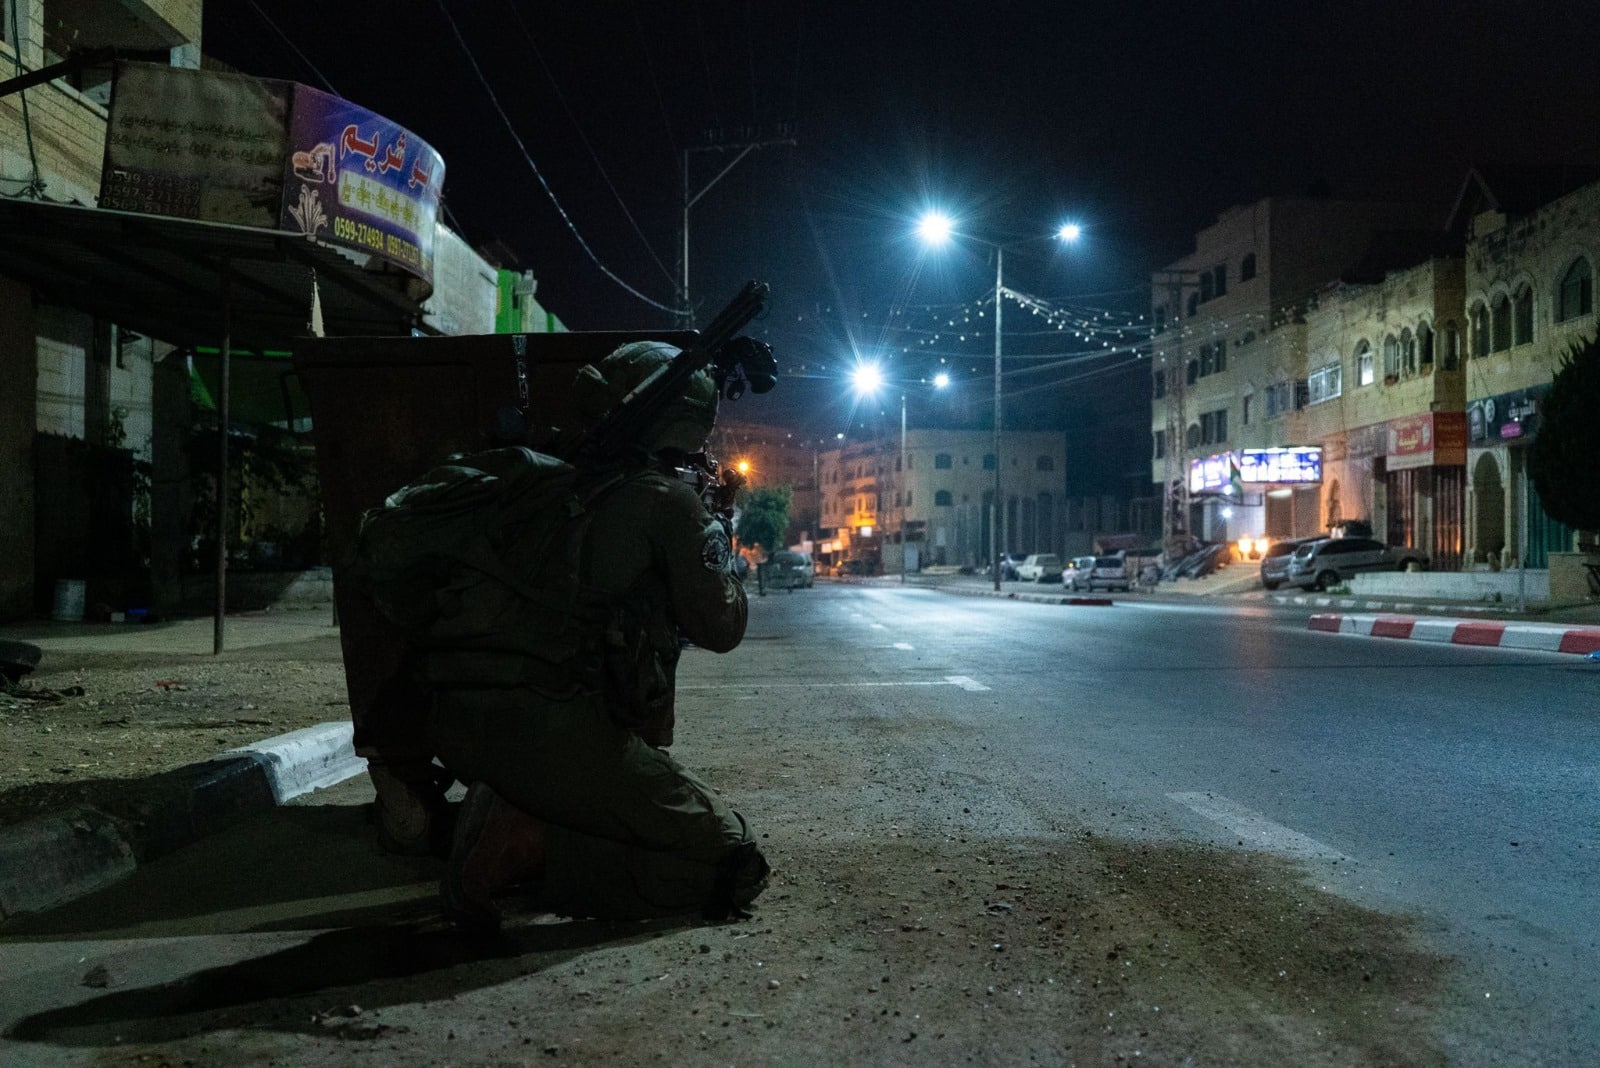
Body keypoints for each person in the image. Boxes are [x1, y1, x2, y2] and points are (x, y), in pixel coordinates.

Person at [423, 340, 769, 931]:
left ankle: (507, 817)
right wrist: (714, 528)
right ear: (683, 428)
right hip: (554, 733)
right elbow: (723, 627)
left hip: (460, 719)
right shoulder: (665, 502)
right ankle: (530, 851)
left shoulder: (548, 478)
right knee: (731, 856)